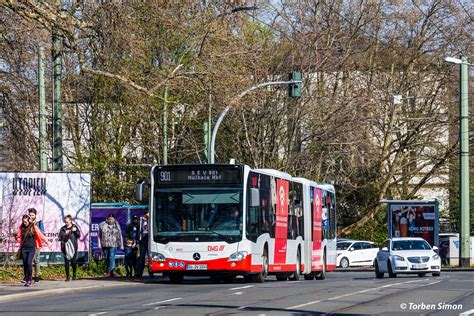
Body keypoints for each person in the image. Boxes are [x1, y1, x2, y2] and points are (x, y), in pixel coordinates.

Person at [15, 214, 51, 287]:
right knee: (25, 264)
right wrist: (16, 237)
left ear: (28, 220)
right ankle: (27, 279)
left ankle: (30, 280)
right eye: (23, 221)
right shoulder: (21, 227)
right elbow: (19, 238)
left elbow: (40, 235)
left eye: (25, 221)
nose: (24, 223)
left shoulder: (33, 226)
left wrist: (47, 242)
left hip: (31, 248)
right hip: (24, 249)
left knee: (29, 263)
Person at [58, 215, 81, 281]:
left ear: (70, 221)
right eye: (65, 222)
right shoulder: (63, 228)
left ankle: (74, 274)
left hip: (73, 247)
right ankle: (67, 277)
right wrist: (65, 234)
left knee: (73, 262)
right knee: (66, 262)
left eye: (67, 222)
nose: (66, 223)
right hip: (65, 247)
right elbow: (60, 237)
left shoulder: (74, 227)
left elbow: (79, 235)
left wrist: (76, 231)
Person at [28, 208, 45, 283]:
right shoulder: (27, 221)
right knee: (28, 260)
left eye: (32, 215)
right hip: (29, 243)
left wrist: (34, 225)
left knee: (36, 260)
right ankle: (28, 276)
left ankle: (37, 276)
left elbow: (42, 232)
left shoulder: (39, 222)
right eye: (30, 215)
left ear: (35, 215)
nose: (31, 216)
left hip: (36, 243)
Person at [135, 210, 149, 278]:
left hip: (149, 241)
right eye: (146, 213)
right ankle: (139, 273)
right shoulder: (140, 220)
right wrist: (137, 241)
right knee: (141, 258)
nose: (147, 214)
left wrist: (149, 219)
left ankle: (151, 273)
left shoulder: (151, 219)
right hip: (142, 241)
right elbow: (138, 230)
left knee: (150, 257)